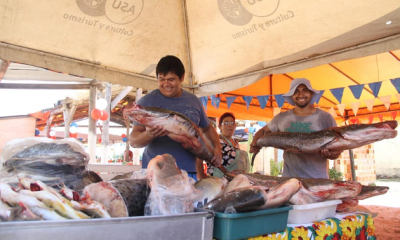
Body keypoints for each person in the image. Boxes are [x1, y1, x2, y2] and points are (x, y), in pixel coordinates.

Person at [129, 55, 222, 181]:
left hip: (189, 172)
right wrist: (149, 134)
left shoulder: (193, 101)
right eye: (161, 79)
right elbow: (134, 141)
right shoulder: (146, 102)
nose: (166, 84)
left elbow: (207, 129)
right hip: (157, 174)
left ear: (182, 77)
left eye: (171, 79)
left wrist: (217, 148)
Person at [250, 78, 342, 179]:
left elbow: (337, 152)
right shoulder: (282, 117)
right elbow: (263, 131)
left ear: (311, 93)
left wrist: (329, 154)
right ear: (292, 96)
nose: (300, 94)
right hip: (290, 182)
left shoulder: (325, 118)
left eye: (305, 90)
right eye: (296, 91)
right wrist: (255, 142)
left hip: (317, 182)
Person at [198, 112, 249, 179]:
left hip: (233, 181)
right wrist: (201, 178)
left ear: (235, 126)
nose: (229, 125)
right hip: (217, 181)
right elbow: (199, 158)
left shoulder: (235, 141)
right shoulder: (215, 141)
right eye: (226, 123)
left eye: (232, 123)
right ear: (220, 126)